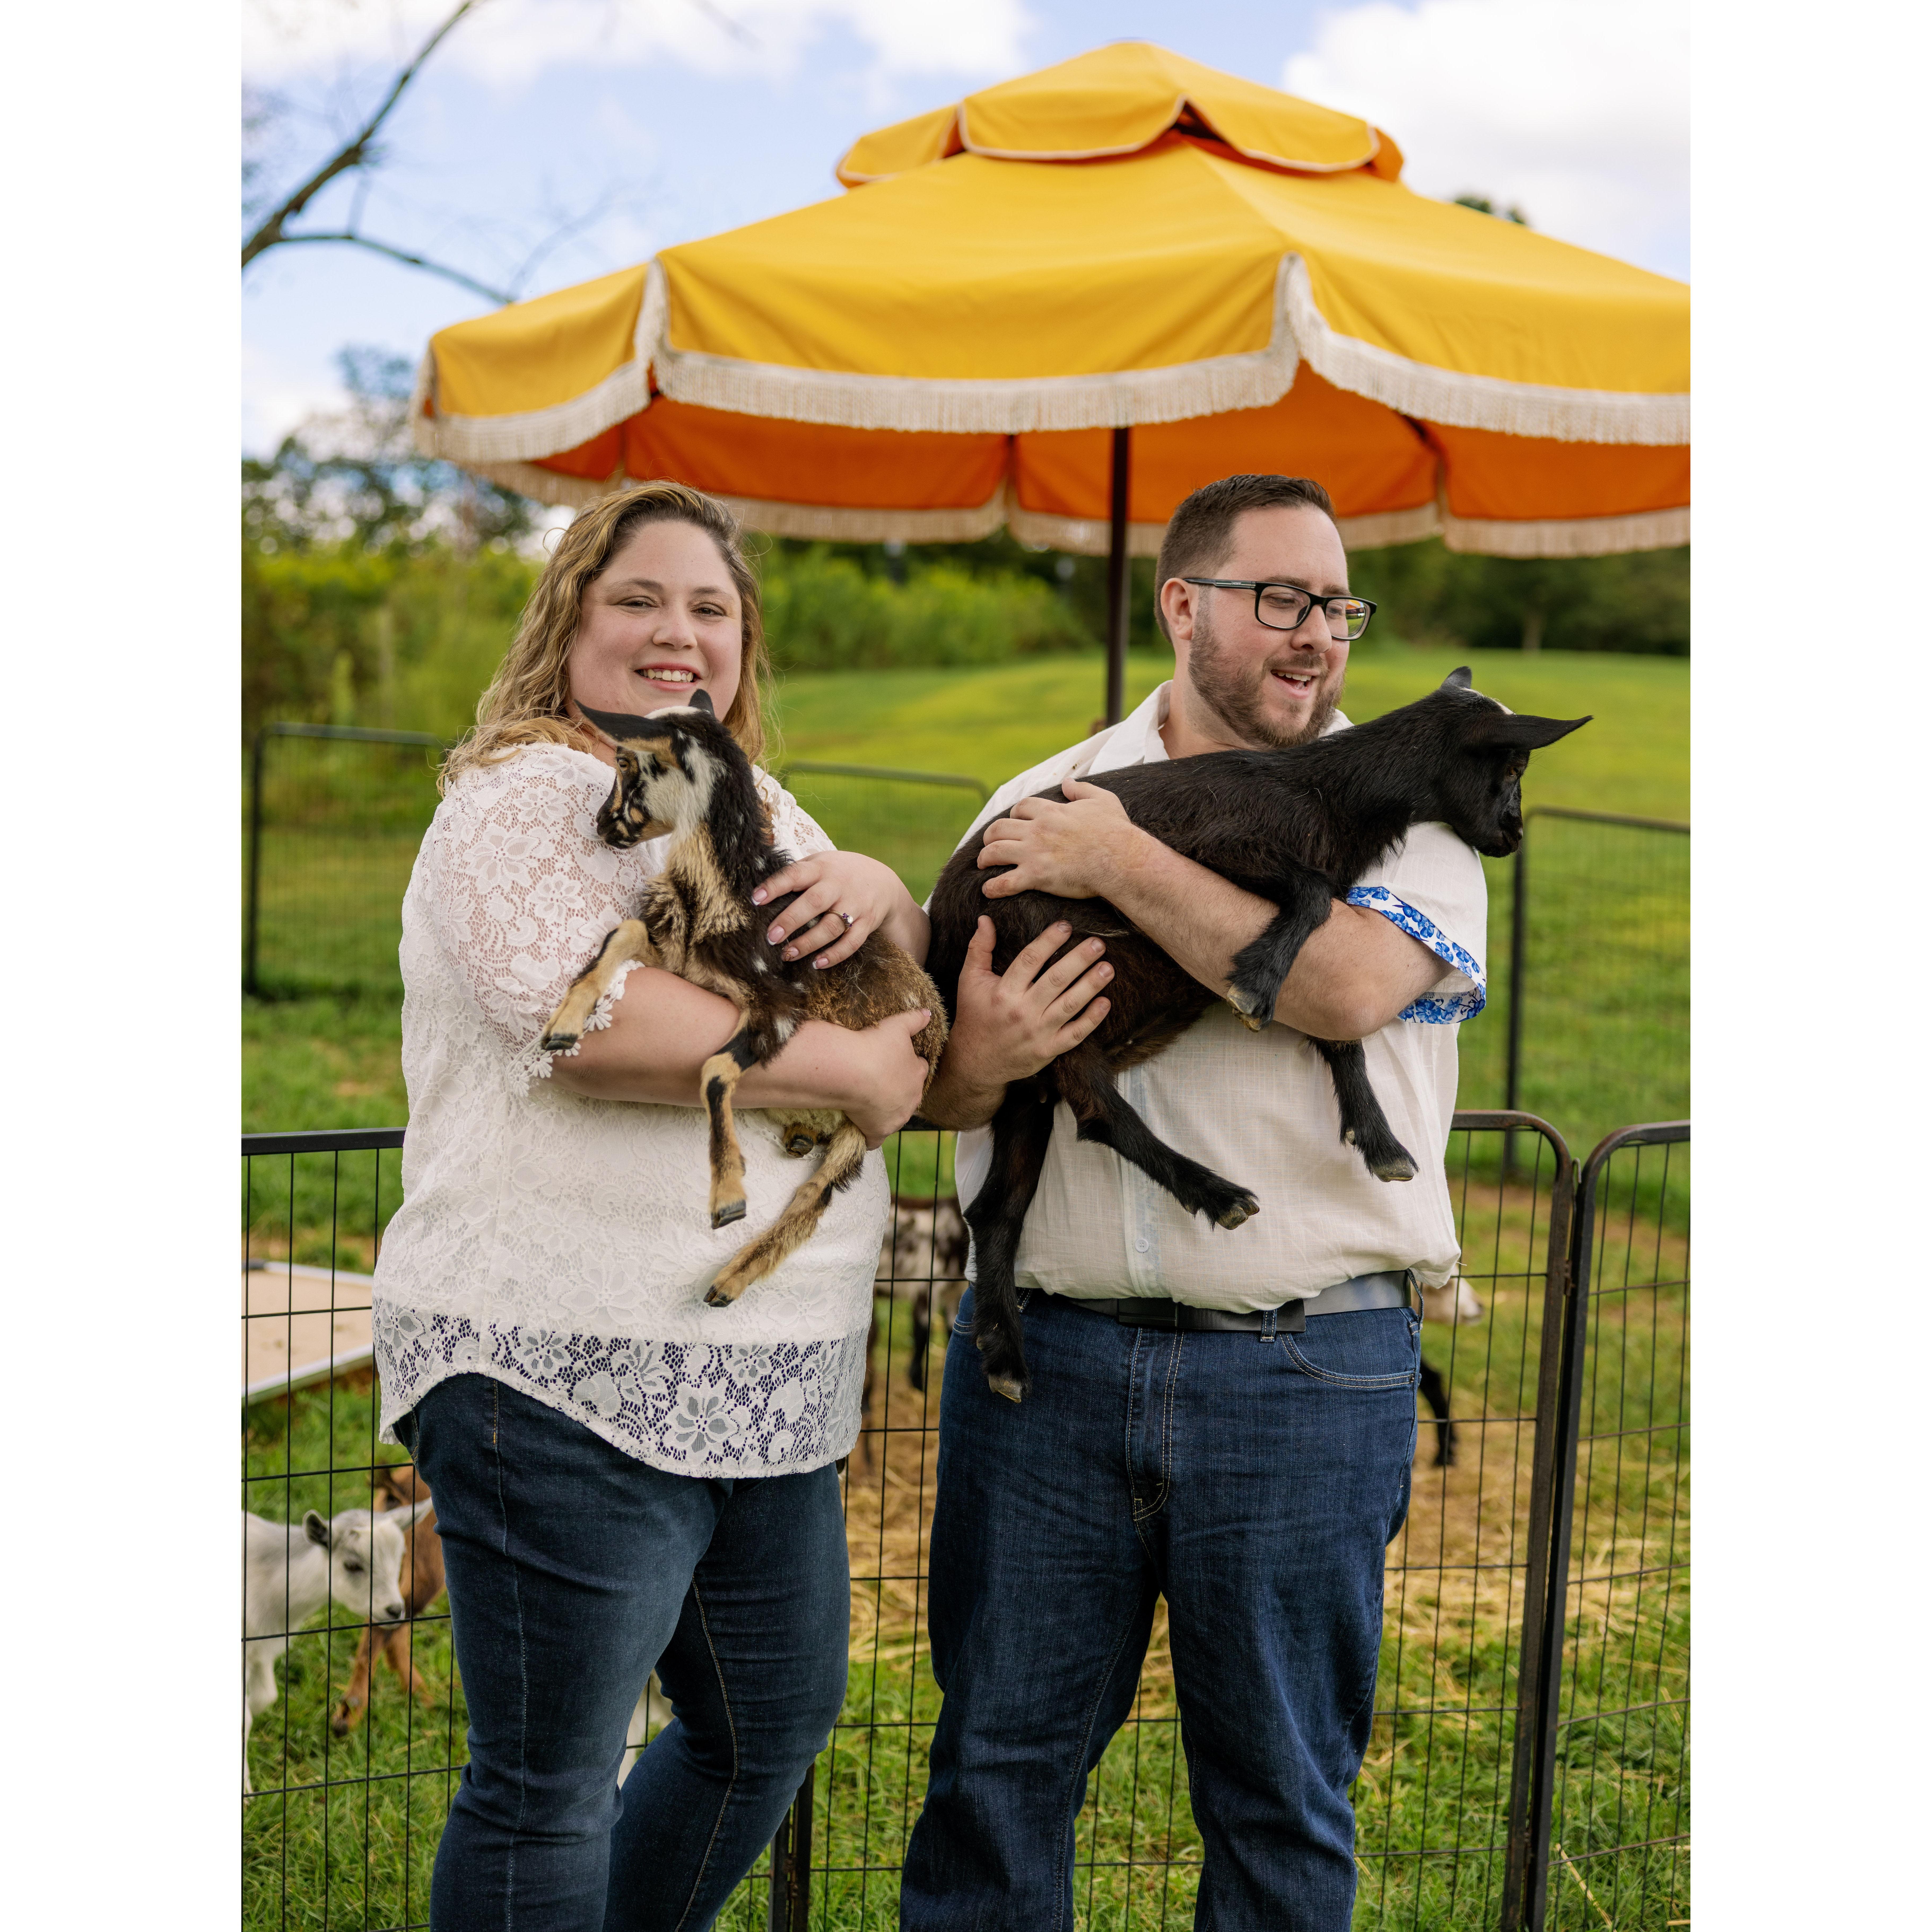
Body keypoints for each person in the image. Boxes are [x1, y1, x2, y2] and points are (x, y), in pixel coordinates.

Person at [901, 474, 1488, 1931]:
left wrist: (1119, 858)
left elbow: (1340, 986)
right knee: (993, 1783)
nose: (1317, 636)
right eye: (1280, 599)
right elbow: (934, 1093)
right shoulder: (1031, 800)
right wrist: (976, 1060)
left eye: (1337, 606)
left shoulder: (1417, 808)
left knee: (1278, 1803)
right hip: (1045, 1370)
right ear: (1181, 604)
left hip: (1306, 1370)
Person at [369, 482, 935, 1931]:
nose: (678, 632)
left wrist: (885, 889)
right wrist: (854, 1073)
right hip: (560, 1362)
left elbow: (890, 979)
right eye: (638, 599)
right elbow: (588, 1019)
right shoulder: (519, 797)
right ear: (568, 620)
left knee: (767, 1723)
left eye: (710, 608)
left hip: (761, 1383)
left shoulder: (762, 803)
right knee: (548, 1783)